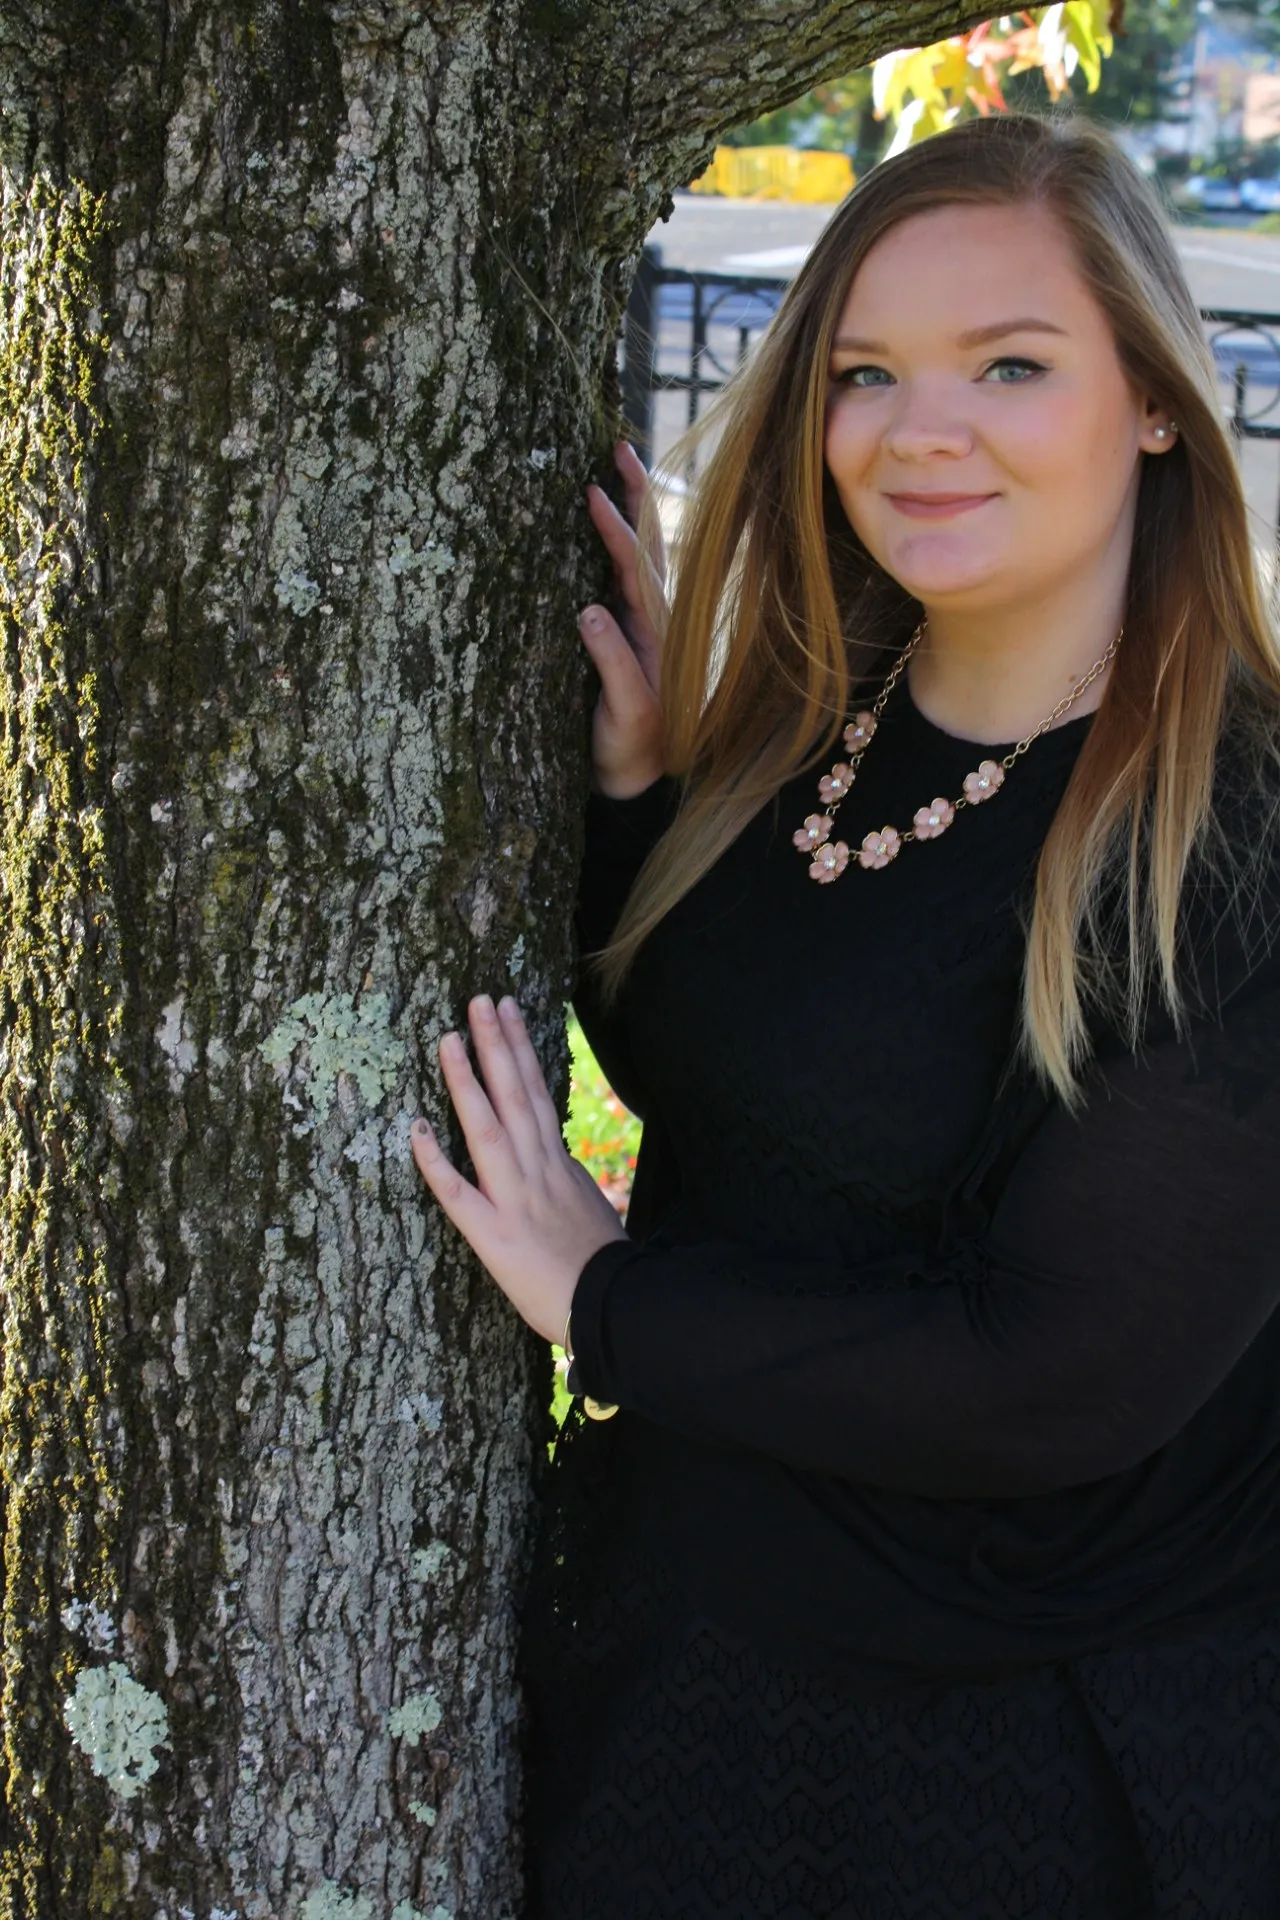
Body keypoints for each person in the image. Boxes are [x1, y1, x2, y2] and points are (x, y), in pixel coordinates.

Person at [410, 111, 1280, 1916]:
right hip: (688, 1680)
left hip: (1007, 1767)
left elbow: (1057, 1380)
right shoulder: (827, 724)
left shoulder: (1235, 835)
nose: (917, 429)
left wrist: (607, 1300)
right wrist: (651, 819)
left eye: (1011, 364)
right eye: (865, 371)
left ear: (1153, 405)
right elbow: (796, 1104)